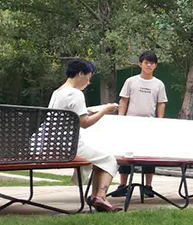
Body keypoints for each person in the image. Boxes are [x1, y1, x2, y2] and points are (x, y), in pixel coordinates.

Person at [46, 59, 121, 212]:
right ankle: (100, 197)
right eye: (89, 77)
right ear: (80, 73)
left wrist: (93, 110)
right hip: (68, 146)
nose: (89, 81)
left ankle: (98, 198)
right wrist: (105, 110)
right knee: (109, 160)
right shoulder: (76, 94)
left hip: (52, 142)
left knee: (100, 159)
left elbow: (71, 116)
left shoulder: (58, 92)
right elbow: (85, 123)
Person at [108, 51, 168, 199]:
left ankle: (148, 187)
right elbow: (124, 100)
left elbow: (161, 103)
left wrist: (159, 121)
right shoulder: (131, 81)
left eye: (152, 63)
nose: (149, 65)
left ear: (156, 65)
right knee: (126, 154)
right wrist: (121, 119)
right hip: (130, 123)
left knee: (149, 155)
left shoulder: (159, 84)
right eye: (146, 62)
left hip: (150, 124)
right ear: (140, 64)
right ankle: (123, 185)